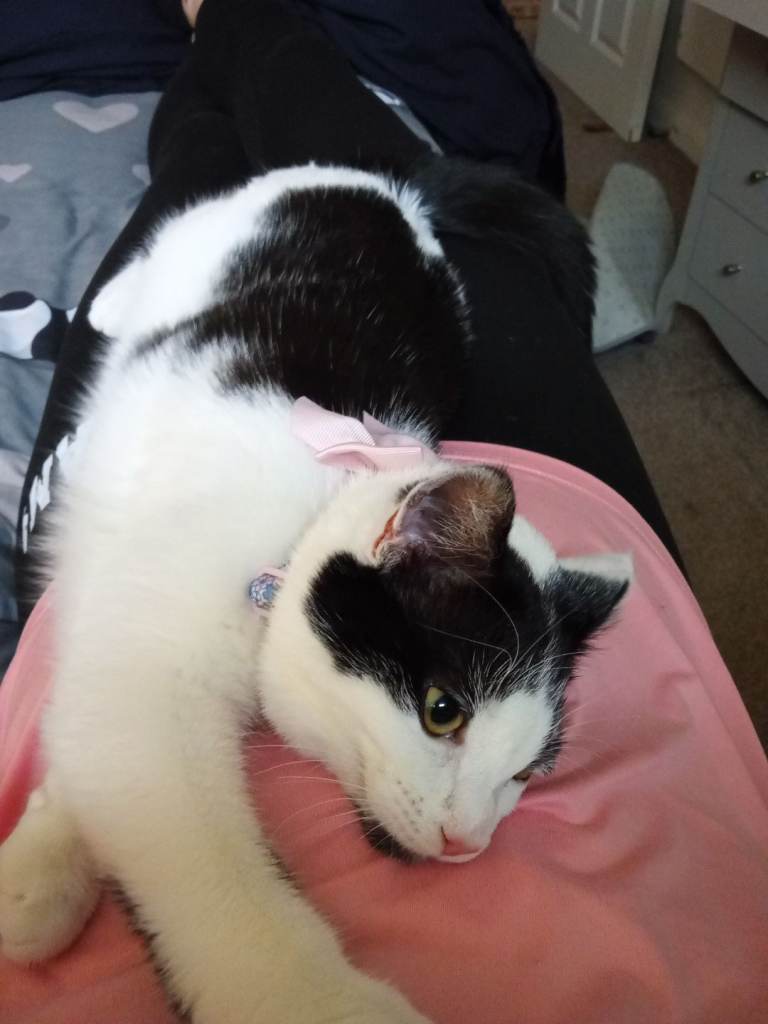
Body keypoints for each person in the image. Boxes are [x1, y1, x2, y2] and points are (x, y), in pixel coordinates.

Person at [15, 0, 682, 615]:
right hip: (570, 541)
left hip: (111, 562)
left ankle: (218, 33)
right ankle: (229, 24)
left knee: (202, 164)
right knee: (381, 177)